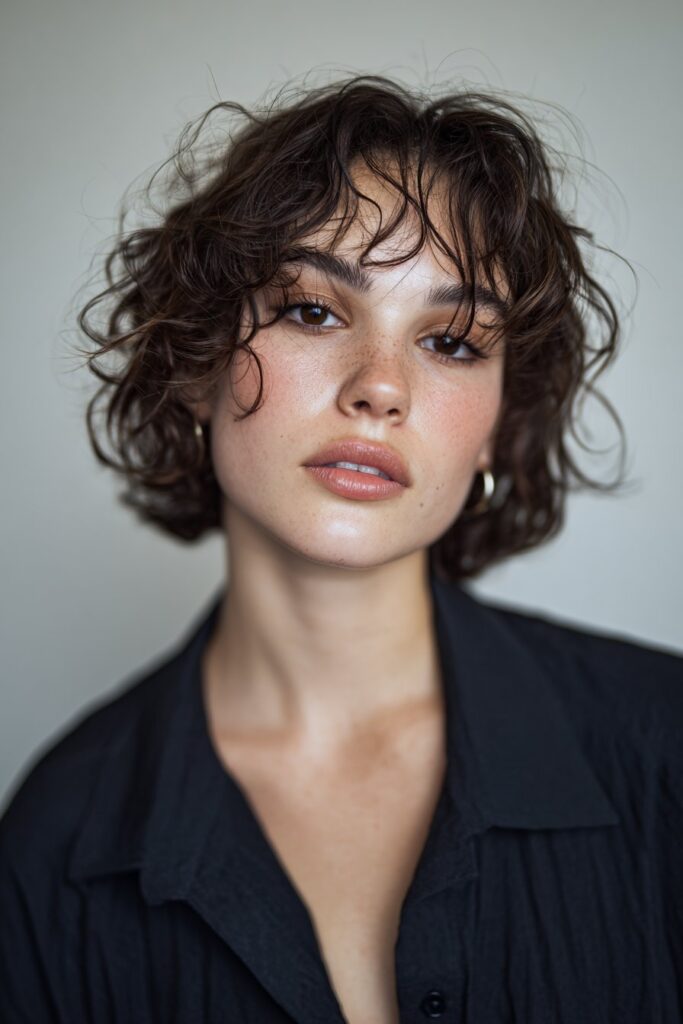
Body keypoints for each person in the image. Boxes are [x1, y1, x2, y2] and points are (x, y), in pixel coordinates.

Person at [1, 73, 682, 1024]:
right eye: (313, 311)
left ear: (494, 424)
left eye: (449, 341)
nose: (380, 388)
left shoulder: (664, 748)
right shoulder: (55, 844)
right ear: (195, 363)